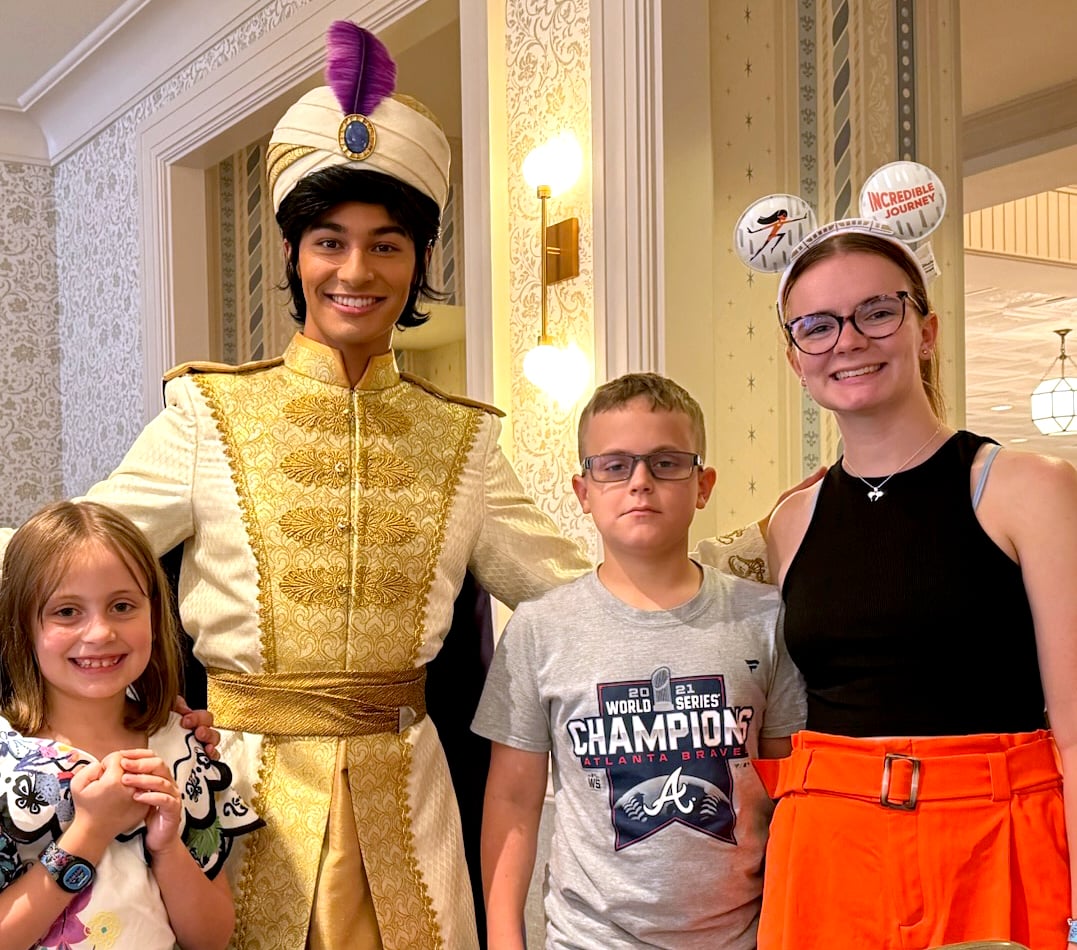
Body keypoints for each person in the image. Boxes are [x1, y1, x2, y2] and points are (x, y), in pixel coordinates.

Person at [7, 21, 592, 950]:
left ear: (418, 264)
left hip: (412, 801)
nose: (355, 272)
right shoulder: (208, 415)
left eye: (387, 246)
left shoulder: (464, 440)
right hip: (235, 793)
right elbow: (55, 555)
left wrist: (718, 602)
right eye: (329, 242)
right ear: (293, 255)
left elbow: (575, 596)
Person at [760, 218, 1077, 949]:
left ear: (924, 329)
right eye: (817, 325)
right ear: (794, 358)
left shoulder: (1027, 489)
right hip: (827, 849)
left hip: (996, 839)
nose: (847, 340)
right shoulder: (789, 520)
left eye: (876, 311)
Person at [473, 373, 806, 949]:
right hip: (590, 938)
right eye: (614, 465)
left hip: (742, 937)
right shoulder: (539, 629)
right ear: (583, 491)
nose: (640, 483)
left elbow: (791, 794)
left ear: (703, 485)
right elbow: (512, 803)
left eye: (666, 463)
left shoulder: (765, 620)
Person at [0, 501, 260, 949]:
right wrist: (91, 832)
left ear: (155, 617)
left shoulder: (183, 748)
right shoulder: (7, 761)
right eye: (66, 612)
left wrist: (166, 848)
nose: (100, 633)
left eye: (122, 606)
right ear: (23, 626)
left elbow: (211, 938)